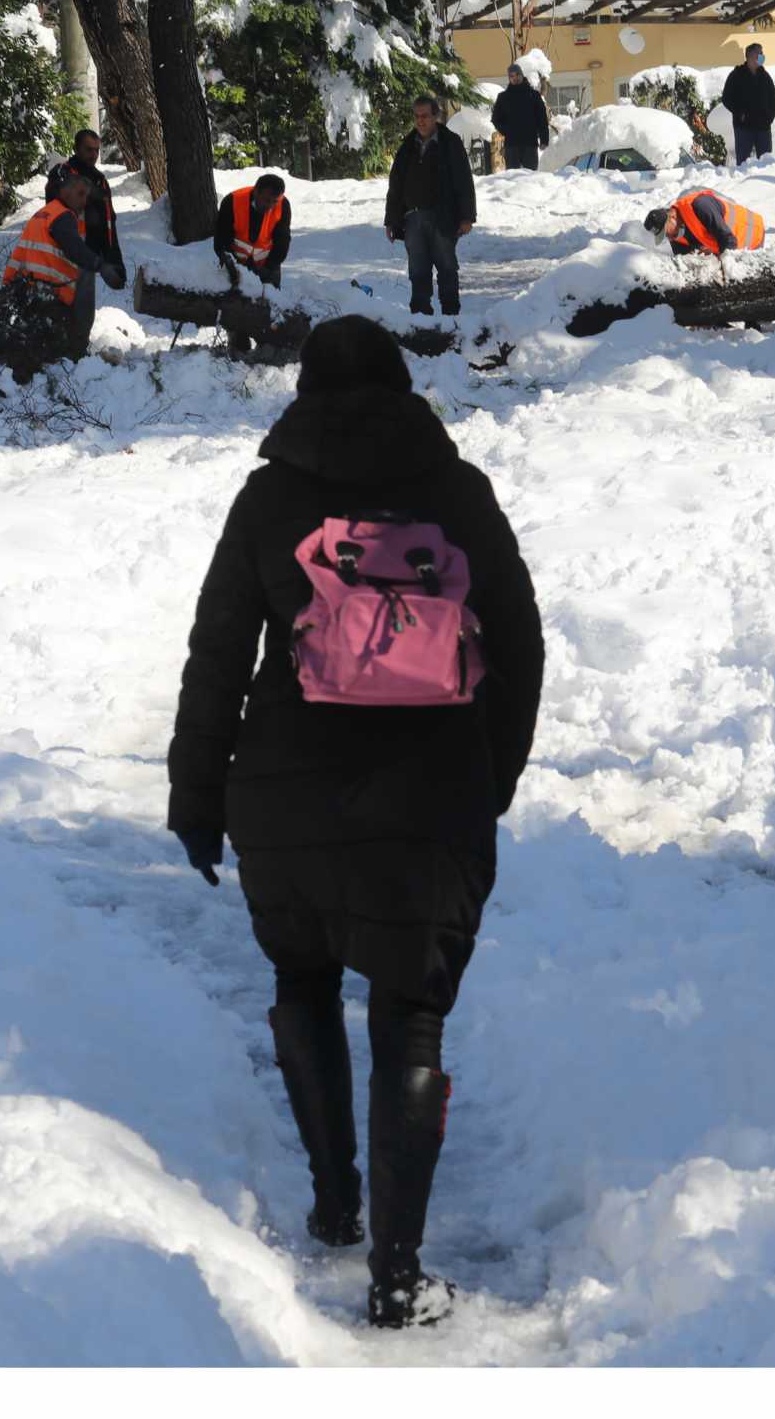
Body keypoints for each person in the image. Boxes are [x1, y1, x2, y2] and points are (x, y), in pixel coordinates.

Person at [167, 316, 544, 1329]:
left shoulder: (268, 497)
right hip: (429, 795)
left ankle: (335, 1201)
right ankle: (397, 1273)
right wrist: (486, 777)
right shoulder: (455, 493)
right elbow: (520, 644)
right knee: (408, 1014)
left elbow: (216, 659)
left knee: (302, 977)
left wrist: (197, 799)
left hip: (283, 793)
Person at [2, 168, 124, 359]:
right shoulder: (63, 216)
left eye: (87, 196)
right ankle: (78, 348)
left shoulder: (46, 213)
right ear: (65, 192)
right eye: (80, 194)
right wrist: (101, 266)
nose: (84, 201)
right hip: (44, 298)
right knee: (86, 270)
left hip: (22, 292)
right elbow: (75, 249)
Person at [383, 96, 476, 318]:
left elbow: (464, 181)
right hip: (413, 219)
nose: (420, 121)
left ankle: (451, 316)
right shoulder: (408, 145)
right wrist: (391, 220)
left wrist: (466, 217)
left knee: (446, 267)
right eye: (417, 116)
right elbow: (395, 185)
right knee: (418, 270)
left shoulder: (450, 143)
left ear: (436, 116)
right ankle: (420, 317)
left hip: (443, 217)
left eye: (425, 116)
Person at [44, 129, 126, 289]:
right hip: (62, 258)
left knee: (83, 313)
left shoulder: (100, 181)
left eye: (97, 150)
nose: (94, 155)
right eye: (89, 149)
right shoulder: (62, 173)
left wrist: (114, 259)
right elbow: (58, 205)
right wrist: (89, 192)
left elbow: (109, 223)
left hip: (88, 263)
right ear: (76, 149)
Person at [214, 173, 294, 290]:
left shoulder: (283, 206)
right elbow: (221, 236)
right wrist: (229, 263)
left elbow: (282, 241)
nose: (270, 206)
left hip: (268, 263)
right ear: (256, 192)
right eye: (267, 200)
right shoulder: (232, 201)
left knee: (271, 301)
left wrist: (269, 268)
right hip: (236, 262)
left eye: (275, 201)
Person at [644, 187, 767, 259]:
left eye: (666, 232)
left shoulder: (700, 206)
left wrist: (723, 263)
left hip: (753, 234)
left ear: (671, 217)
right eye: (664, 235)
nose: (668, 237)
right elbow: (686, 261)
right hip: (734, 245)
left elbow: (729, 241)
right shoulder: (676, 236)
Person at [720, 43, 775, 165]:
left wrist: (769, 117)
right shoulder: (736, 75)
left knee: (766, 163)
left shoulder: (765, 76)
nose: (762, 56)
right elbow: (726, 98)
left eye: (762, 53)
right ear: (750, 56)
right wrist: (740, 113)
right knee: (743, 164)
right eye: (760, 53)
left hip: (763, 128)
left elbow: (773, 99)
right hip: (743, 128)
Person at [488, 63, 549, 172]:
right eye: (511, 76)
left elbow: (542, 119)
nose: (515, 78)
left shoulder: (533, 95)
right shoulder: (503, 97)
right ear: (509, 78)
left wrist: (544, 139)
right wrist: (507, 130)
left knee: (530, 177)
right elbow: (496, 119)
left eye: (517, 75)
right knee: (513, 178)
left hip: (530, 143)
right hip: (512, 145)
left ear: (521, 75)